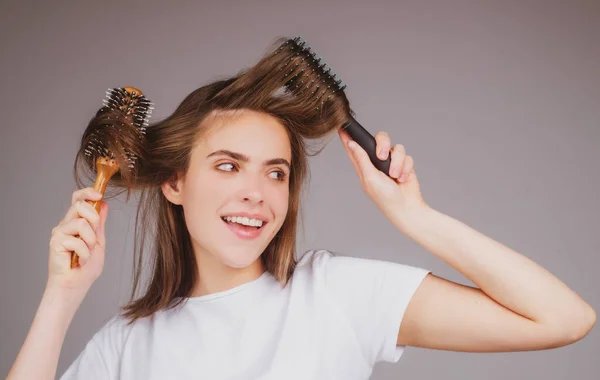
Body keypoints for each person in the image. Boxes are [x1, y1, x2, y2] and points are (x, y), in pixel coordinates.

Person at [8, 70, 596, 380]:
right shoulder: (127, 346)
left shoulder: (335, 296)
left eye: (276, 172)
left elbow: (565, 318)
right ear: (175, 183)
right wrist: (62, 299)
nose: (256, 194)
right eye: (228, 165)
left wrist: (414, 217)